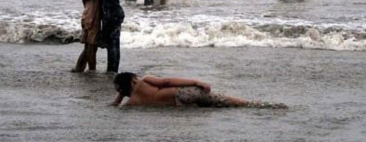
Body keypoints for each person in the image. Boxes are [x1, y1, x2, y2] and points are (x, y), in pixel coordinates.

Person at [111, 72, 288, 109]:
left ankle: (255, 105)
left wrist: (121, 94)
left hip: (179, 106)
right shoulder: (144, 80)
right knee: (224, 101)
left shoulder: (132, 103)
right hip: (183, 93)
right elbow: (167, 81)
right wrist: (196, 81)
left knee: (215, 107)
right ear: (133, 79)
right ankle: (257, 105)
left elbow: (114, 106)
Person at [73, 0, 102, 72]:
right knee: (91, 47)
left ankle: (79, 68)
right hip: (92, 18)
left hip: (86, 18)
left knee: (87, 47)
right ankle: (92, 69)